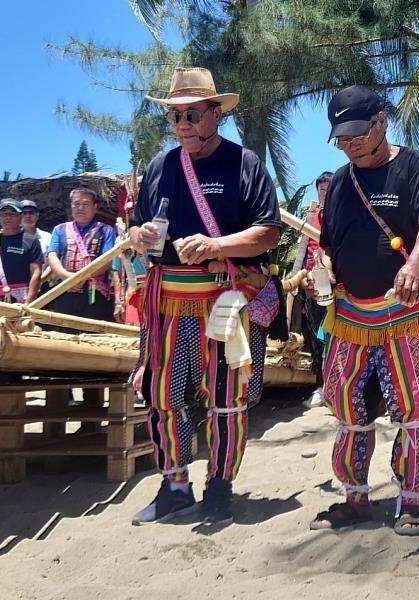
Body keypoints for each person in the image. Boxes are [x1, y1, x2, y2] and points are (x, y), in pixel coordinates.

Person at [129, 66, 282, 525]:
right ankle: (174, 484)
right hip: (166, 303)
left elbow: (268, 233)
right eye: (175, 117)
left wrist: (217, 245)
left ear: (217, 114)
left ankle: (219, 486)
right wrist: (138, 235)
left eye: (192, 115)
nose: (182, 126)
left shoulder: (244, 164)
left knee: (224, 397)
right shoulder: (159, 168)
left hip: (225, 300)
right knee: (161, 394)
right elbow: (143, 227)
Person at [307, 85, 419, 536]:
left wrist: (414, 264)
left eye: (358, 135)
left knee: (415, 403)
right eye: (342, 139)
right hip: (351, 314)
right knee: (344, 402)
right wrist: (321, 270)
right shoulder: (341, 185)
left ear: (382, 123)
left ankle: (410, 499)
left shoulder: (413, 166)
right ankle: (355, 498)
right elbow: (328, 246)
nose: (350, 145)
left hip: (407, 310)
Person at [47, 188, 120, 322]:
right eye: (76, 204)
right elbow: (52, 256)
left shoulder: (106, 230)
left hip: (93, 291)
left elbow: (107, 260)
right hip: (64, 288)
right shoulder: (60, 229)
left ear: (95, 207)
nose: (80, 208)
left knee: (93, 335)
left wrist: (81, 278)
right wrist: (66, 276)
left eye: (85, 204)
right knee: (62, 333)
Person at [300, 171, 333, 409]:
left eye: (330, 190)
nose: (326, 194)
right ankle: (322, 386)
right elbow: (301, 252)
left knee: (334, 335)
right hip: (310, 283)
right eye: (322, 190)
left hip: (336, 283)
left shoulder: (342, 216)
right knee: (315, 336)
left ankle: (336, 384)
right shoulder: (310, 218)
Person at [0, 199, 42, 303]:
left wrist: (29, 302)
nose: (8, 217)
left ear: (20, 217)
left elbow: (36, 272)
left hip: (19, 298)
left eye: (12, 214)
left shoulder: (30, 240)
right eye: (4, 214)